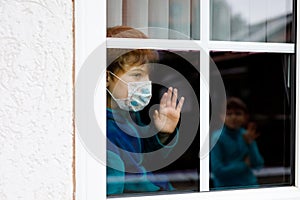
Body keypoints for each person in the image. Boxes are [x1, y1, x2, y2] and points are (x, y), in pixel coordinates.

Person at [106, 26, 185, 195]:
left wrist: (162, 133)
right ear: (107, 78)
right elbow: (134, 181)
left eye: (147, 75)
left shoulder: (129, 116)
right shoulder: (106, 129)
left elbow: (147, 159)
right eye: (137, 75)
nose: (145, 83)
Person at [210, 97, 264, 189]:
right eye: (229, 114)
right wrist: (244, 165)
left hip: (249, 186)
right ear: (221, 116)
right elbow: (218, 171)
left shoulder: (246, 135)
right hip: (225, 189)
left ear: (245, 117)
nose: (233, 117)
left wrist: (250, 144)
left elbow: (258, 165)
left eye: (238, 113)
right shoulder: (217, 137)